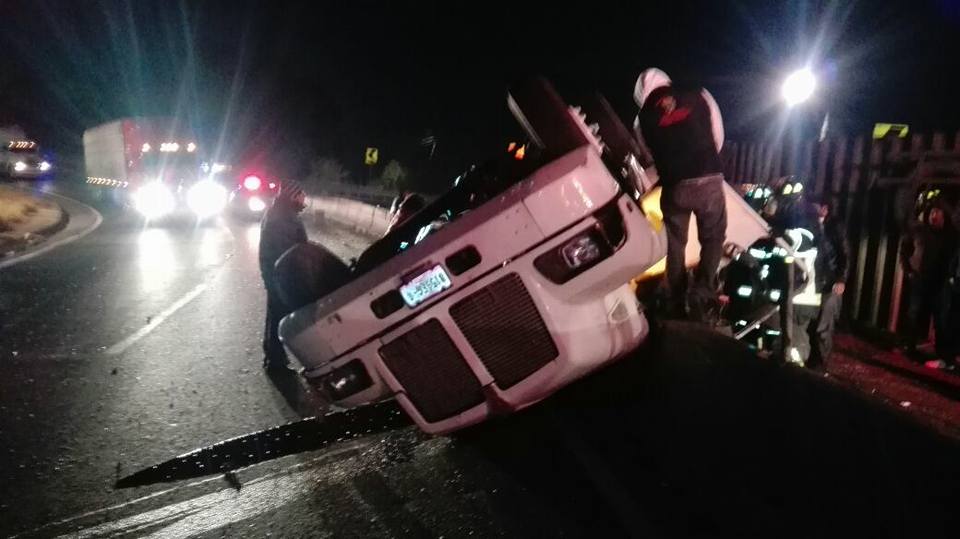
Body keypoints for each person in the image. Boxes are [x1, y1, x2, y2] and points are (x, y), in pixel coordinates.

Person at [633, 68, 726, 322]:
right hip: (707, 178)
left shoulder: (641, 119)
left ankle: (676, 299)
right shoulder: (699, 94)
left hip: (674, 186)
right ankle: (703, 291)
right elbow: (717, 135)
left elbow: (648, 154)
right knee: (713, 236)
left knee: (675, 243)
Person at [792, 195, 850, 369]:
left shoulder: (835, 227)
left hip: (830, 283)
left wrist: (841, 279)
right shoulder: (806, 226)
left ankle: (821, 364)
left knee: (823, 327)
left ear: (825, 209)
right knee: (807, 323)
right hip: (811, 282)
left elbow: (845, 254)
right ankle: (809, 359)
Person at [899, 202, 958, 364]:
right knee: (914, 313)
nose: (934, 216)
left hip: (940, 283)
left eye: (937, 212)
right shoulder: (919, 231)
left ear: (944, 215)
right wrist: (908, 270)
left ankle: (943, 353)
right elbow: (904, 249)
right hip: (919, 279)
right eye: (932, 212)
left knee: (941, 318)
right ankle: (909, 346)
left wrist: (951, 278)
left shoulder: (951, 236)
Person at [258, 180, 308, 370]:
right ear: (293, 196)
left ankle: (274, 358)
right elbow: (289, 251)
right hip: (280, 275)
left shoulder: (283, 213)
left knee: (277, 315)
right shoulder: (282, 218)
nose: (304, 201)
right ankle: (275, 360)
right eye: (302, 197)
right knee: (281, 316)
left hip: (277, 274)